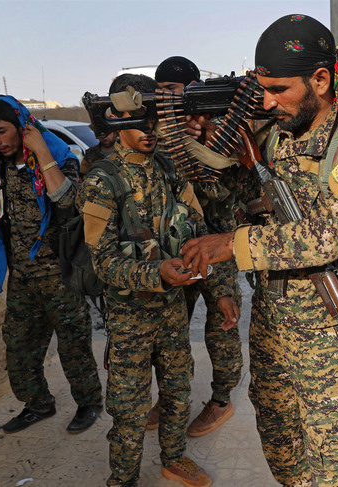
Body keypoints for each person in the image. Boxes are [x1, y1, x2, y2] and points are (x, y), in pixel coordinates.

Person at [181, 14, 338, 486]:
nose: (268, 101)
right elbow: (229, 197)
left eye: (278, 89)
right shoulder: (274, 137)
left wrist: (230, 246)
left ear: (319, 80)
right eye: (262, 89)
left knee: (335, 457)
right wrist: (203, 148)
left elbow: (326, 237)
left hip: (321, 322)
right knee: (277, 428)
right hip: (271, 314)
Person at [78, 73, 235, 487]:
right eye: (137, 122)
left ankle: (174, 458)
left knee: (177, 391)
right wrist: (157, 273)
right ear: (115, 121)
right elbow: (104, 263)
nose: (149, 131)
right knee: (129, 410)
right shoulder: (101, 181)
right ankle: (123, 479)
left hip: (170, 313)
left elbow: (200, 234)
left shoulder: (170, 168)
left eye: (154, 121)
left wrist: (219, 292)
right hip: (129, 319)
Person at [0, 96, 103, 434]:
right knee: (18, 348)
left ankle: (88, 403)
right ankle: (38, 404)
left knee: (74, 348)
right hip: (23, 278)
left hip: (62, 276)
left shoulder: (60, 159)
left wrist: (42, 151)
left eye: (2, 131)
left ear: (22, 127)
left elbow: (69, 202)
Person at [145, 55, 243, 437]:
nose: (167, 97)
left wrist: (201, 137)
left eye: (174, 90)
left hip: (218, 243)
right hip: (175, 247)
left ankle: (221, 399)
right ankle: (172, 397)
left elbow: (229, 183)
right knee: (172, 330)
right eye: (162, 90)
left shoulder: (210, 127)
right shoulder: (157, 132)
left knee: (222, 325)